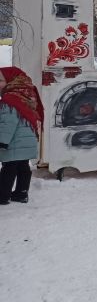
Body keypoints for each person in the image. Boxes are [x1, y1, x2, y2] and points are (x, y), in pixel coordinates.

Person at [0, 67, 44, 205]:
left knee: (8, 168)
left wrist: (2, 141)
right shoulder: (27, 95)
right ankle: (21, 193)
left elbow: (8, 122)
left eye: (0, 80)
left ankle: (2, 196)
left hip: (14, 142)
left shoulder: (10, 99)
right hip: (27, 141)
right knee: (23, 167)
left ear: (12, 81)